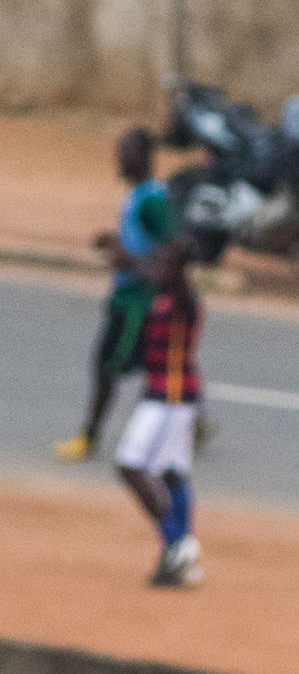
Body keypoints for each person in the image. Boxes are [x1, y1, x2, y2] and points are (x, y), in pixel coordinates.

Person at [54, 128, 178, 462]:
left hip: (137, 302)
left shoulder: (152, 199)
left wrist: (131, 261)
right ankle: (191, 422)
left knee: (108, 367)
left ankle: (90, 437)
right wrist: (113, 240)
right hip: (127, 296)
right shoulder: (139, 193)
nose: (119, 159)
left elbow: (173, 248)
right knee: (155, 364)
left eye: (125, 152)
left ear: (144, 156)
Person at [114, 238, 205, 587]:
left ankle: (176, 543)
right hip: (171, 397)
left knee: (130, 464)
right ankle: (181, 551)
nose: (158, 269)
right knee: (171, 473)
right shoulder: (163, 297)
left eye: (165, 264)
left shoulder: (184, 301)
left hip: (169, 398)